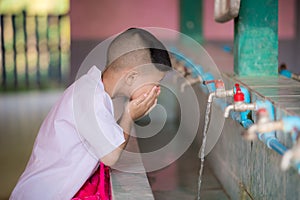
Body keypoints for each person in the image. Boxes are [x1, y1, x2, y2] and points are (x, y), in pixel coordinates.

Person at [10, 28, 172, 200]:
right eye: (156, 83)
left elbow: (107, 137)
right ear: (131, 77)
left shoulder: (93, 89)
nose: (157, 90)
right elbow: (111, 156)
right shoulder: (90, 98)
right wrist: (128, 116)